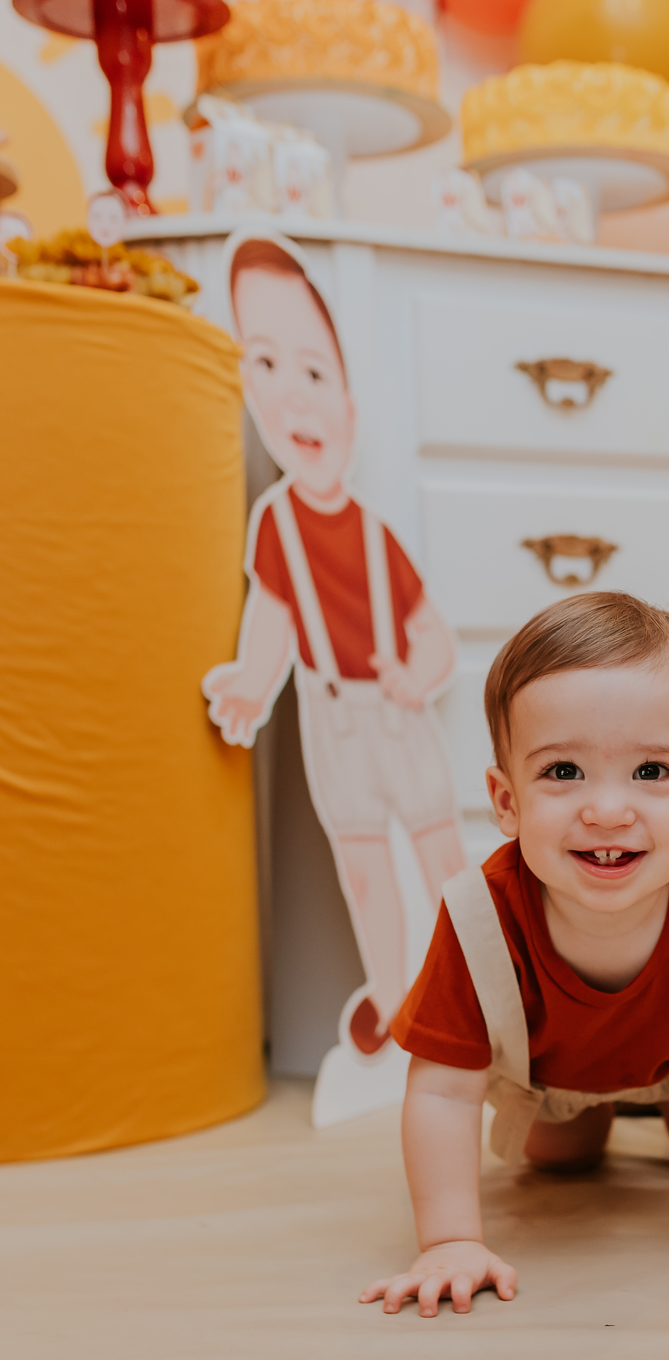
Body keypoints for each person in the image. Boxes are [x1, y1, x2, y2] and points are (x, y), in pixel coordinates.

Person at [360, 592, 669, 1319]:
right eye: (562, 772)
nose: (608, 810)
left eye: (652, 773)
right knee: (559, 1163)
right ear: (506, 800)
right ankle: (594, 1119)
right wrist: (449, 1240)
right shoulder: (481, 917)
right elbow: (442, 1091)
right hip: (551, 1079)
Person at [202, 237, 465, 1057]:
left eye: (316, 375)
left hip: (396, 710)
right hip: (332, 718)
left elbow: (434, 635)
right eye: (268, 369)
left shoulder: (377, 533)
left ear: (353, 408)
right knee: (363, 868)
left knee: (440, 846)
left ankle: (480, 975)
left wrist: (418, 674)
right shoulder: (275, 522)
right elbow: (273, 619)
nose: (297, 402)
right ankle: (393, 1002)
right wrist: (250, 680)